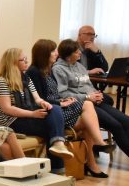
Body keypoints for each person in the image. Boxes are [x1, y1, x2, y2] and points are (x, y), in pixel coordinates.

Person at [27, 39, 108, 177]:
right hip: (51, 112)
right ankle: (98, 144)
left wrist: (62, 100)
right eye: (53, 51)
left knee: (87, 119)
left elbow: (55, 93)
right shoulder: (34, 72)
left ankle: (92, 162)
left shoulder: (47, 69)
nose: (56, 53)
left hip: (58, 106)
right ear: (44, 53)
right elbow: (40, 100)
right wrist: (60, 103)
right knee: (87, 105)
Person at [0, 48, 73, 173]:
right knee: (52, 127)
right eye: (23, 60)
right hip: (12, 122)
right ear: (13, 62)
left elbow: (37, 99)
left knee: (54, 108)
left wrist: (43, 103)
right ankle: (58, 166)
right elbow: (7, 109)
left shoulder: (26, 78)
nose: (26, 62)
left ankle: (58, 146)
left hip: (27, 116)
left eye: (26, 59)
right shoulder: (1, 81)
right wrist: (32, 114)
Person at [52, 39, 129, 161]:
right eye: (76, 51)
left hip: (94, 101)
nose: (80, 53)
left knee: (127, 121)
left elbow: (88, 85)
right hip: (81, 105)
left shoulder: (80, 66)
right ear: (68, 56)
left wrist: (96, 94)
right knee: (116, 126)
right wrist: (87, 97)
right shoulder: (58, 69)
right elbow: (62, 94)